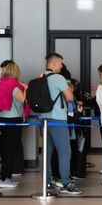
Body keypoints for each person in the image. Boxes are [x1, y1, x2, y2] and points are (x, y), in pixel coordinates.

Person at [39, 53, 81, 195]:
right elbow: (69, 97)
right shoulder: (59, 78)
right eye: (60, 63)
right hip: (58, 119)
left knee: (46, 152)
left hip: (44, 120)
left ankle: (47, 182)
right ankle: (66, 183)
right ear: (55, 64)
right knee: (65, 152)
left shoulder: (41, 77)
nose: (62, 66)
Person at [0, 60, 26, 189]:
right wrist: (27, 89)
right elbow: (24, 99)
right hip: (13, 120)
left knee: (7, 150)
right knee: (10, 151)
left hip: (3, 118)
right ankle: (4, 178)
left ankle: (7, 177)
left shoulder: (3, 83)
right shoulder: (14, 85)